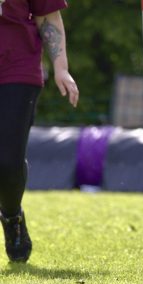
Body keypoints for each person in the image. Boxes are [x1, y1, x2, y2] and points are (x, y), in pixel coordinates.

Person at [0, 0, 79, 263]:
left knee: (8, 163)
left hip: (16, 69)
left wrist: (61, 67)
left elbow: (48, 17)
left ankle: (12, 216)